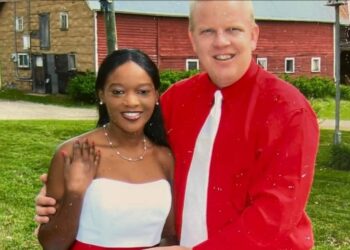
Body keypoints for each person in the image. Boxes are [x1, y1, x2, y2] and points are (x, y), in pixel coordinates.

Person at [35, 1, 319, 249]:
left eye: (233, 29)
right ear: (192, 39)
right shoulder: (176, 100)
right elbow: (128, 157)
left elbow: (276, 212)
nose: (221, 42)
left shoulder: (288, 109)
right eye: (208, 31)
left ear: (254, 35)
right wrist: (66, 198)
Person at [37, 48, 177, 249]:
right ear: (102, 94)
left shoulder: (165, 158)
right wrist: (75, 193)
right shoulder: (74, 153)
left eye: (143, 92)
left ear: (156, 96)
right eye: (118, 92)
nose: (131, 102)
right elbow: (52, 244)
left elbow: (169, 237)